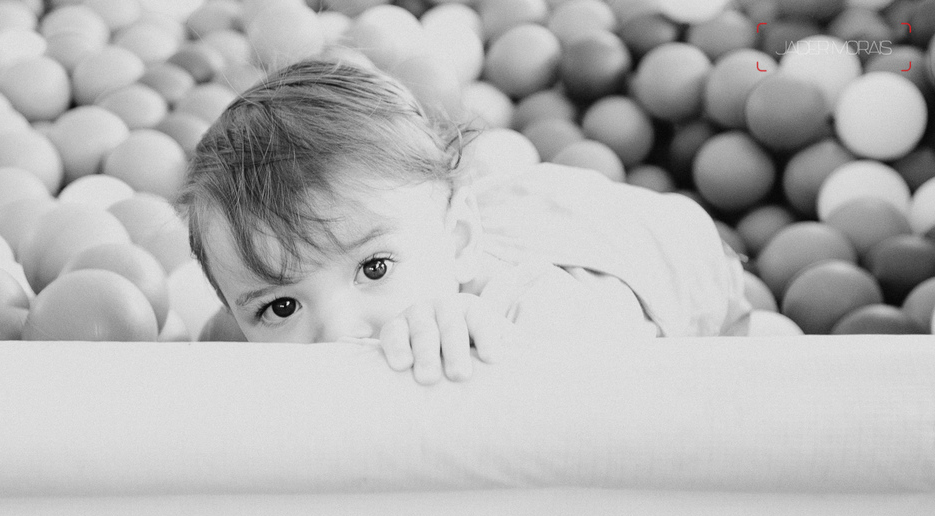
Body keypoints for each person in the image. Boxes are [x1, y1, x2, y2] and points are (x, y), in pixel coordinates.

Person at [179, 57, 751, 384]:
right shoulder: (260, 337)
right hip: (502, 209)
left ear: (457, 244)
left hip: (658, 256)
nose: (338, 334)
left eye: (375, 268)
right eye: (281, 307)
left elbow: (623, 378)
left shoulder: (541, 316)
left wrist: (506, 345)